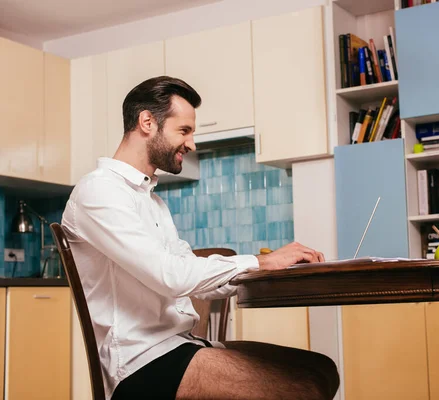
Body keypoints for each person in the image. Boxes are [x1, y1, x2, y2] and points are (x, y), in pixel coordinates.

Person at [62, 76, 340, 400]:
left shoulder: (151, 200)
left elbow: (191, 271)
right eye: (184, 131)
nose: (192, 144)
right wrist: (260, 260)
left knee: (322, 369)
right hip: (141, 366)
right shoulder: (100, 191)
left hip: (180, 346)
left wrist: (268, 268)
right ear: (147, 122)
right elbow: (171, 277)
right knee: (304, 388)